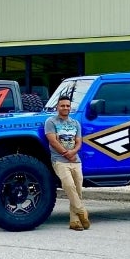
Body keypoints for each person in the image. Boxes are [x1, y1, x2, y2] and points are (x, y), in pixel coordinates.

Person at [46, 96, 88, 230]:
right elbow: (53, 141)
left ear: (70, 107)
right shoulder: (50, 121)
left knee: (78, 190)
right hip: (59, 160)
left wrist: (73, 152)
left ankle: (74, 222)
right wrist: (66, 153)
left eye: (67, 106)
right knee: (69, 186)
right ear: (57, 107)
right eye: (62, 105)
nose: (65, 108)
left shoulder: (75, 123)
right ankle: (82, 211)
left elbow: (79, 141)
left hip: (76, 161)